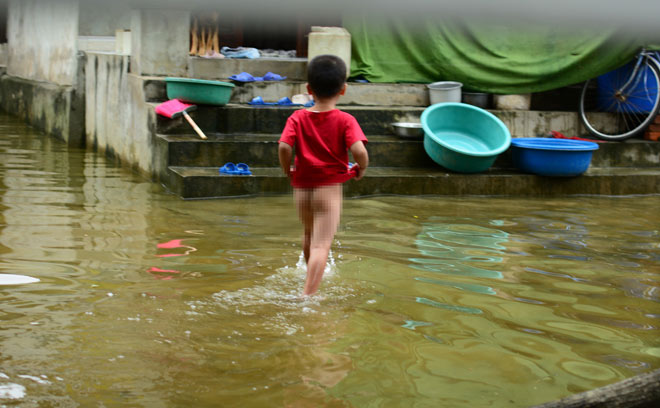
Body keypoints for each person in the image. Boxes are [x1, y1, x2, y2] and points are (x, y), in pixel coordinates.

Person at [278, 54, 369, 296]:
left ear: (308, 89)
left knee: (309, 236)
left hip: (302, 188)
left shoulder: (297, 117)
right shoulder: (346, 120)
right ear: (343, 89)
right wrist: (362, 168)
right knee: (322, 245)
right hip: (328, 189)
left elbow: (284, 147)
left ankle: (310, 276)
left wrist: (287, 169)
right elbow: (359, 151)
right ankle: (308, 296)